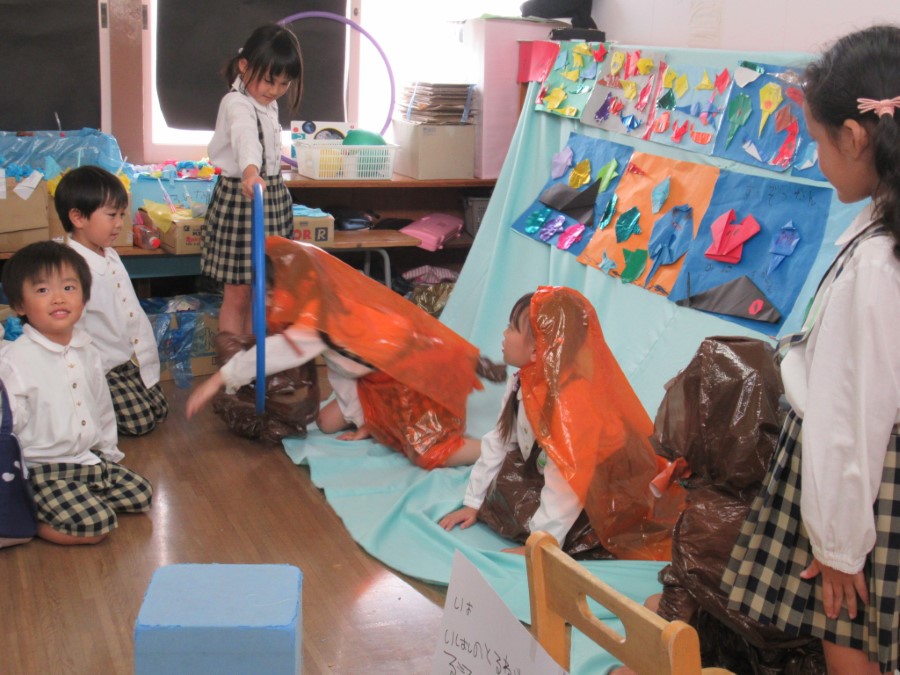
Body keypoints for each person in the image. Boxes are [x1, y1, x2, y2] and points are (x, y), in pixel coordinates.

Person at [722, 25, 900, 674]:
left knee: (847, 627)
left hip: (862, 490)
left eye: (818, 142)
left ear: (854, 137)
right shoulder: (879, 237)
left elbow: (850, 418)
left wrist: (839, 545)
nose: (818, 159)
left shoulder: (876, 264)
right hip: (869, 477)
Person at [187, 236, 484, 469]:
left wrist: (217, 380)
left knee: (426, 452)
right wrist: (365, 420)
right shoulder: (315, 305)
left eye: (270, 295)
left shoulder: (317, 321)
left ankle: (493, 450)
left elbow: (272, 354)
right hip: (376, 379)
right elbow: (344, 366)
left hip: (412, 377)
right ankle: (377, 422)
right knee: (327, 423)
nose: (265, 303)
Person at [439, 286, 679, 558]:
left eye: (511, 328)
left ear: (537, 349)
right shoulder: (525, 379)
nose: (504, 334)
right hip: (559, 470)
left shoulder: (570, 405)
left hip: (603, 486)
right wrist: (473, 502)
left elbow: (567, 481)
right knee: (507, 487)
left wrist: (539, 544)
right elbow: (500, 439)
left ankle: (554, 534)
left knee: (587, 531)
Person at [0, 242, 153, 545]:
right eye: (42, 290)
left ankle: (78, 498)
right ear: (19, 305)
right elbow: (9, 426)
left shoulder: (87, 349)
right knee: (97, 527)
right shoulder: (15, 361)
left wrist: (109, 453)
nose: (58, 298)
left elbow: (102, 405)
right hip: (42, 469)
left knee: (142, 494)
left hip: (86, 460)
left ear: (84, 298)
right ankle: (33, 519)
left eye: (69, 287)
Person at [202, 23, 303, 336]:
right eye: (269, 81)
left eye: (284, 84)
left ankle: (253, 356)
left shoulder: (268, 103)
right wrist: (250, 172)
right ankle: (234, 362)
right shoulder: (237, 103)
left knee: (263, 290)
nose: (275, 90)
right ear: (244, 66)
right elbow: (245, 138)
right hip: (242, 198)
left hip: (271, 198)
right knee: (239, 292)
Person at [55, 165, 167, 436]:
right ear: (78, 217)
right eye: (111, 215)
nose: (119, 223)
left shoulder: (108, 253)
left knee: (159, 410)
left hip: (125, 358)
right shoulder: (71, 267)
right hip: (101, 366)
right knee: (140, 423)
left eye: (122, 215)